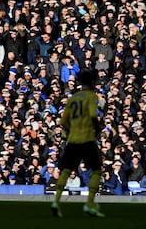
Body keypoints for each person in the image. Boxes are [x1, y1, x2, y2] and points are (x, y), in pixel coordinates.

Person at [51, 70, 105, 218]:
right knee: (96, 170)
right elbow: (93, 116)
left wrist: (72, 130)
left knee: (66, 170)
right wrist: (98, 130)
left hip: (73, 139)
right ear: (92, 82)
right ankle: (89, 204)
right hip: (87, 139)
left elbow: (63, 122)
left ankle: (56, 201)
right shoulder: (91, 96)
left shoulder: (73, 98)